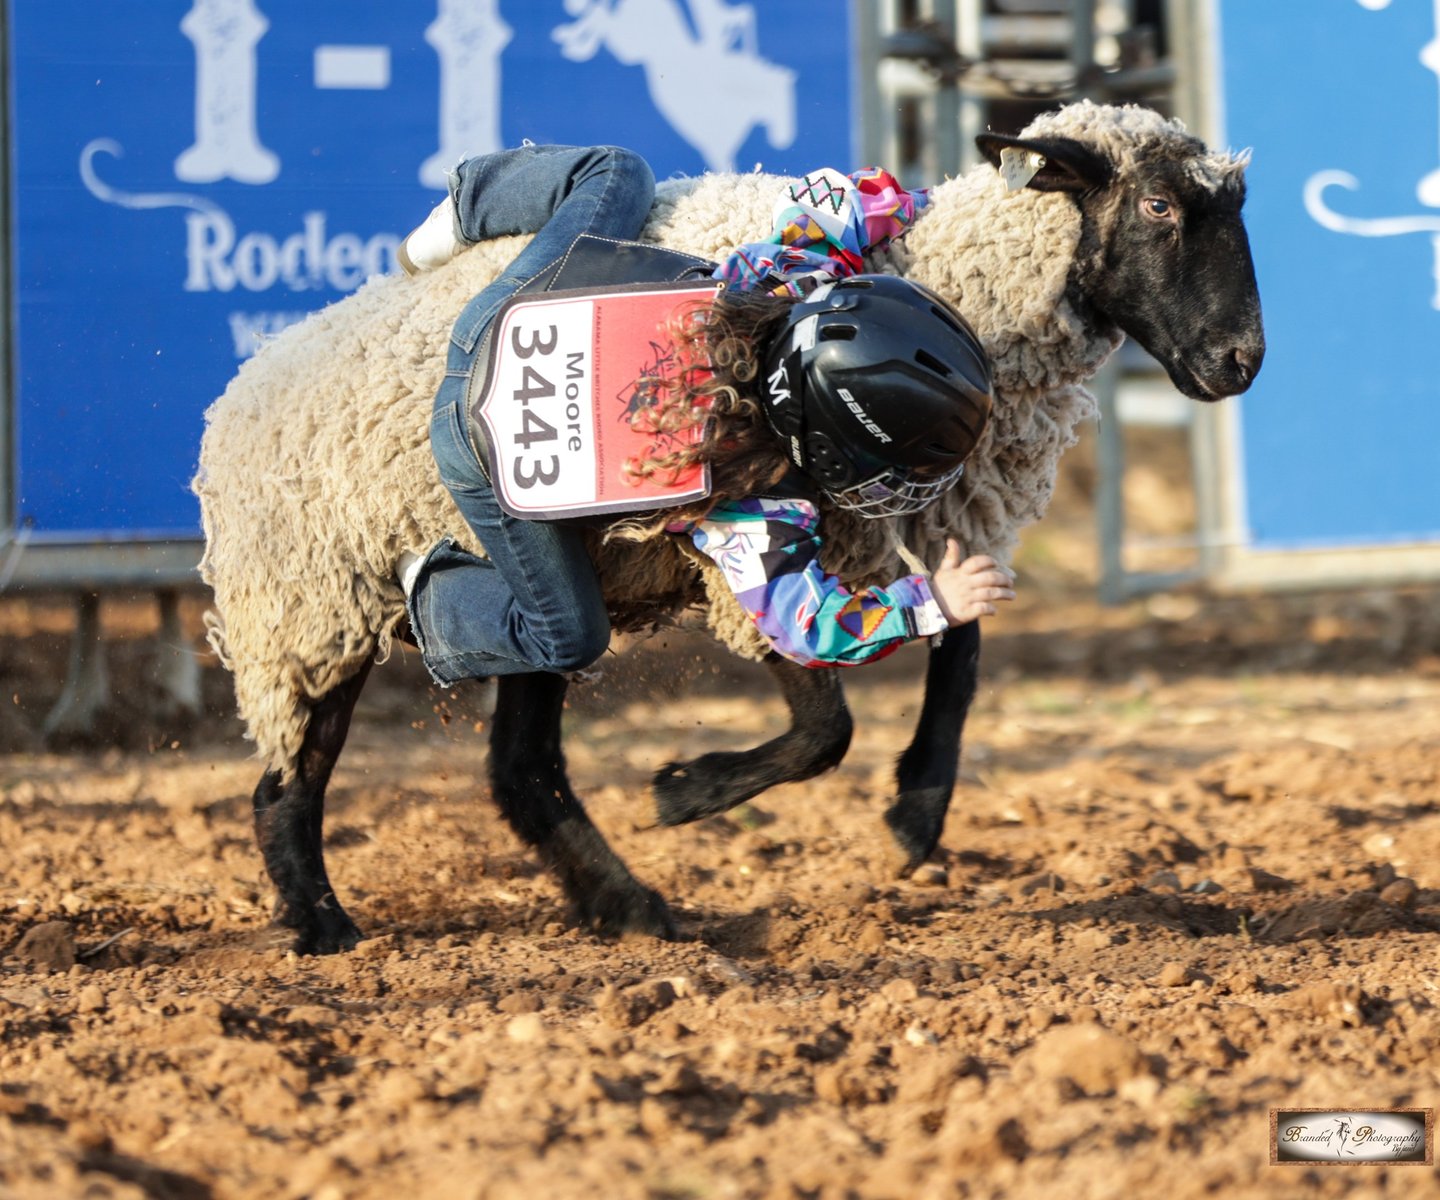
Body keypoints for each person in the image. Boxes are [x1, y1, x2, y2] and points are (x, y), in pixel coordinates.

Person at [396, 143, 1014, 685]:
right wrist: (929, 602)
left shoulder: (775, 285)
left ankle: (460, 211)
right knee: (566, 638)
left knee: (615, 170)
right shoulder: (752, 504)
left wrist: (922, 205)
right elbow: (808, 629)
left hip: (501, 316)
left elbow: (832, 198)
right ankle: (426, 591)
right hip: (474, 454)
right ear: (824, 444)